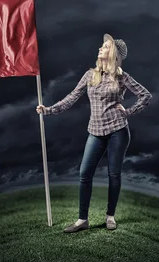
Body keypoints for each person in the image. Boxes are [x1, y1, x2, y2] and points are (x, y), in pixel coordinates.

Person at [36, 33, 152, 232]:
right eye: (101, 46)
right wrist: (49, 110)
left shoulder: (122, 77)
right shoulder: (91, 75)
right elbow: (72, 96)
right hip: (95, 131)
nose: (100, 49)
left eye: (105, 47)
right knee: (84, 174)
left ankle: (110, 217)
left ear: (113, 54)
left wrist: (129, 112)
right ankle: (82, 220)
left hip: (118, 131)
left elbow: (145, 96)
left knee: (113, 174)